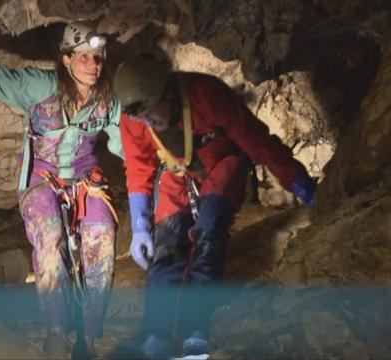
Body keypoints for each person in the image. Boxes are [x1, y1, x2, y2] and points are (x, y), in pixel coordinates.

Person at [113, 55, 316, 358]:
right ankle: (157, 334)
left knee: (208, 230)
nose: (149, 124)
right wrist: (141, 228)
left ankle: (197, 327)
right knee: (168, 244)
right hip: (178, 172)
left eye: (151, 115)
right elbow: (138, 169)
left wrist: (298, 182)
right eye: (142, 119)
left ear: (165, 92)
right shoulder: (135, 122)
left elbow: (255, 140)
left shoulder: (205, 94)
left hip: (222, 162)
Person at [0, 22, 123, 359]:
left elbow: (129, 144)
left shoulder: (108, 101)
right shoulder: (41, 86)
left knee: (103, 238)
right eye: (84, 58)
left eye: (97, 58)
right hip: (42, 177)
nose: (93, 65)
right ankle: (55, 329)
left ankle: (89, 336)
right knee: (49, 240)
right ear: (66, 59)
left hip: (85, 178)